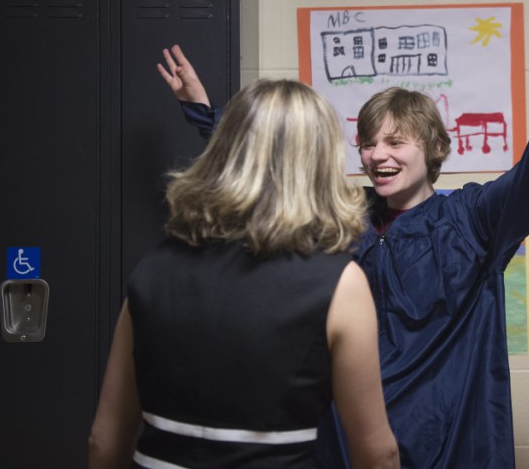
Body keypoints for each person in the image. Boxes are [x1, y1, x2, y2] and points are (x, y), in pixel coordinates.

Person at [157, 17, 529, 468]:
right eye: (368, 143)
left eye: (396, 142)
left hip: (448, 438)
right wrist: (206, 114)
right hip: (350, 438)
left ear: (433, 148)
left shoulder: (473, 219)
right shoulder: (344, 215)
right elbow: (273, 180)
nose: (377, 155)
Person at [88, 79, 400, 469]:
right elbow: (377, 454)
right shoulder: (341, 285)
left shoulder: (154, 268)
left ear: (224, 153)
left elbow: (104, 441)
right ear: (319, 164)